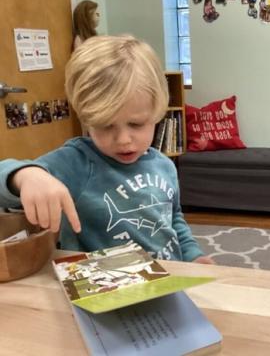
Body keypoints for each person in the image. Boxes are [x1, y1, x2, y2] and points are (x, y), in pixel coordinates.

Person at [0, 35, 213, 264]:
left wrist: (193, 255)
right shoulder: (77, 162)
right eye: (105, 126)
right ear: (86, 119)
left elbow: (173, 218)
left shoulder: (165, 165)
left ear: (157, 112)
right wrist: (26, 176)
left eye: (136, 124)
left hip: (172, 276)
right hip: (109, 289)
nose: (123, 140)